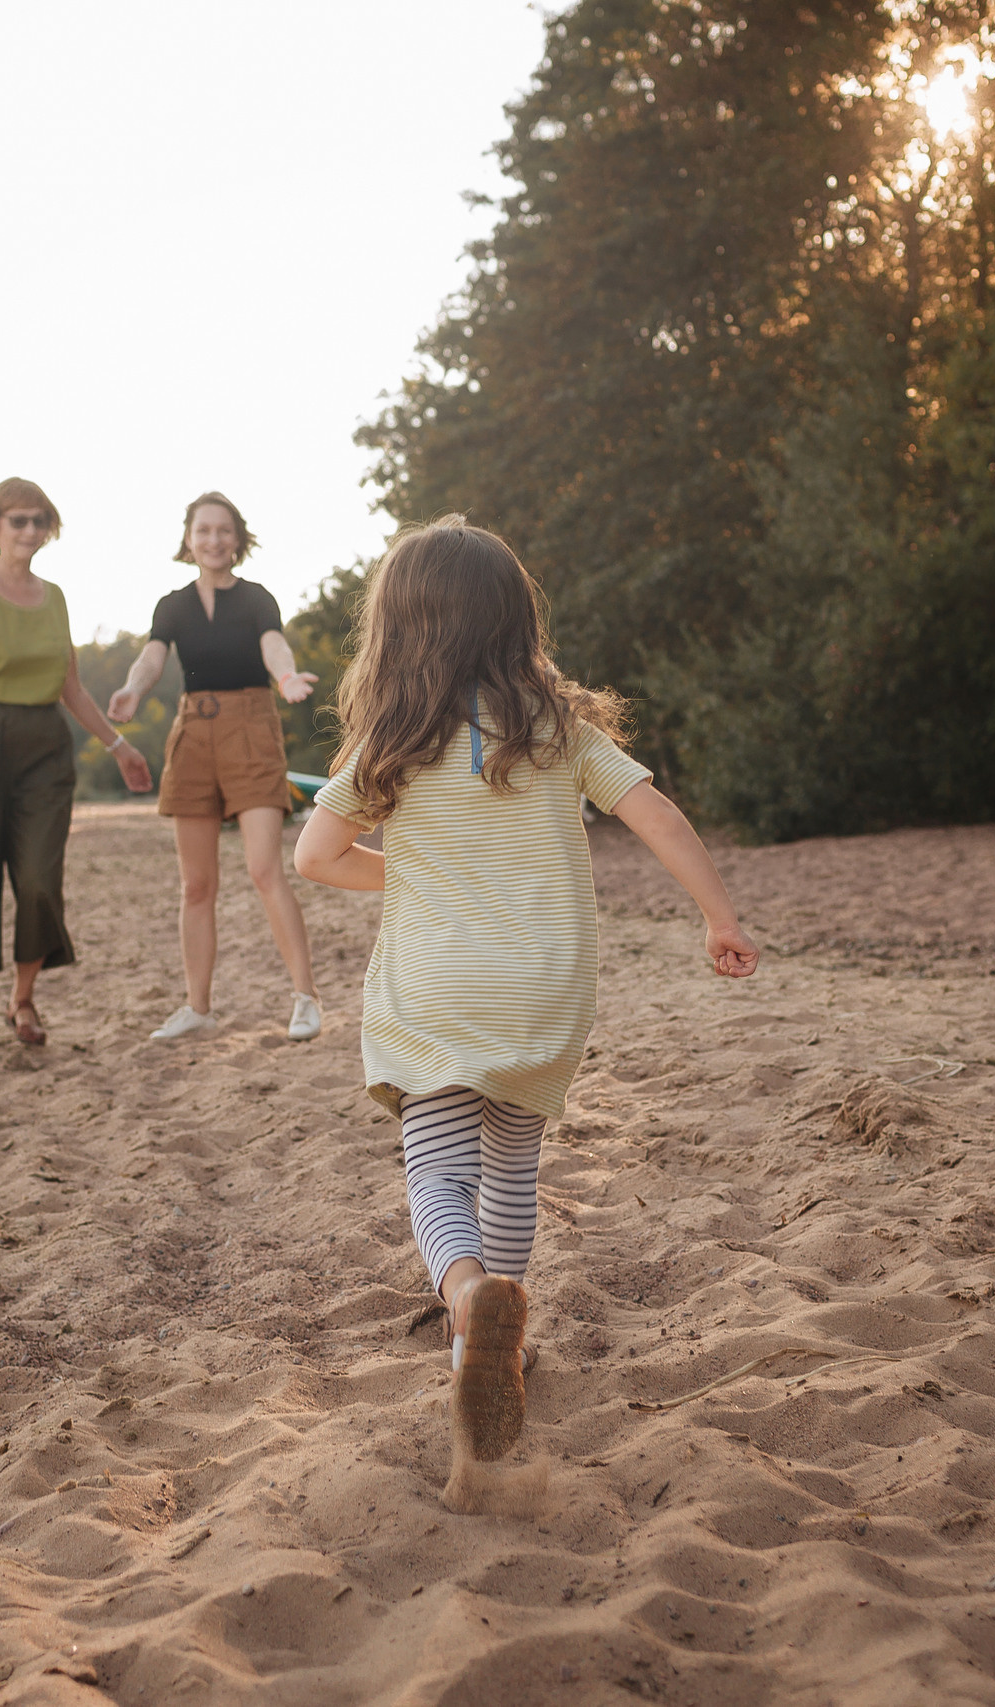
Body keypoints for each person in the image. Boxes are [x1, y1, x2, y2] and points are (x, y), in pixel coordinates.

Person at [293, 516, 758, 1505]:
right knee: (511, 1161)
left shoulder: (394, 740)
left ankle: (466, 1300)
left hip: (436, 988)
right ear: (515, 623)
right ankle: (493, 1338)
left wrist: (409, 874)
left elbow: (314, 857)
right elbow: (658, 817)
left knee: (435, 1161)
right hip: (545, 982)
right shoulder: (562, 734)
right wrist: (718, 917)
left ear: (399, 630)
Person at [0, 478, 151, 1058]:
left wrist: (119, 746)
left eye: (38, 521)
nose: (29, 531)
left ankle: (23, 998)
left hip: (43, 750)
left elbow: (70, 687)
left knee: (37, 880)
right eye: (17, 521)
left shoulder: (54, 597)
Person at [106, 491, 325, 1043]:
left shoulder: (256, 599)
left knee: (263, 869)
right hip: (192, 735)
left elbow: (273, 644)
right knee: (196, 885)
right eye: (203, 530)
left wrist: (287, 678)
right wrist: (133, 689)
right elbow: (154, 655)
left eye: (224, 530)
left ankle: (305, 998)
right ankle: (197, 1008)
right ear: (188, 538)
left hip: (251, 728)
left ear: (238, 539)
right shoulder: (172, 605)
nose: (213, 540)